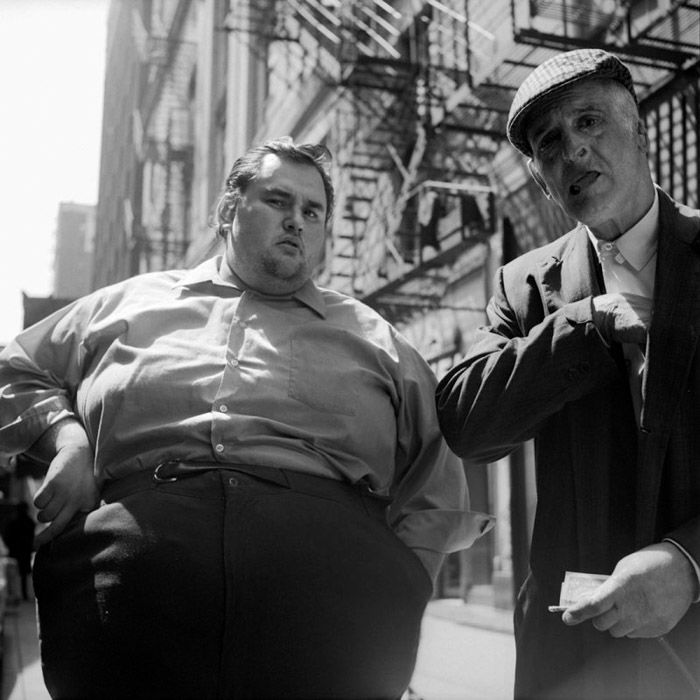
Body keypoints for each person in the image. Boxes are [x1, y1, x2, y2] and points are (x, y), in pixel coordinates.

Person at [0, 138, 492, 700]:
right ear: (229, 211)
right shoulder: (125, 305)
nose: (297, 222)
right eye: (279, 201)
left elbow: (436, 484)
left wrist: (400, 588)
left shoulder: (378, 339)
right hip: (128, 610)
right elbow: (13, 369)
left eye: (313, 212)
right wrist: (67, 440)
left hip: (329, 631)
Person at [435, 49, 700, 699]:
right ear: (542, 180)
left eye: (589, 122)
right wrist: (584, 326)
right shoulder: (525, 286)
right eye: (550, 142)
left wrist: (690, 562)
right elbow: (468, 422)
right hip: (573, 657)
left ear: (638, 129)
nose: (573, 150)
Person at [2, 500, 36, 600]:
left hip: (15, 551)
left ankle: (15, 595)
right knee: (23, 575)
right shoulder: (28, 522)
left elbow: (6, 535)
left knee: (15, 574)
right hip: (24, 551)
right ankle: (23, 594)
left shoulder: (13, 522)